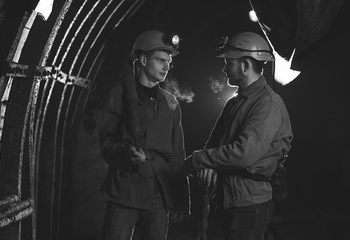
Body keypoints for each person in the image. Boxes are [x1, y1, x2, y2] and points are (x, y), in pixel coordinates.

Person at [183, 32, 293, 240]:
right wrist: (209, 164)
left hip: (249, 204)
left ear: (244, 66)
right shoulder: (234, 103)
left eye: (228, 63)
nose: (224, 69)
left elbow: (243, 153)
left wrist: (198, 160)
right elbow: (214, 144)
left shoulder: (267, 104)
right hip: (227, 198)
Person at [99, 29, 190, 240]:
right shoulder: (119, 95)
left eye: (168, 61)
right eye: (160, 60)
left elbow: (177, 154)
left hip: (158, 193)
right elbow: (107, 143)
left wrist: (179, 199)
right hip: (125, 191)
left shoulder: (170, 102)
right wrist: (126, 154)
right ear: (142, 59)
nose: (167, 66)